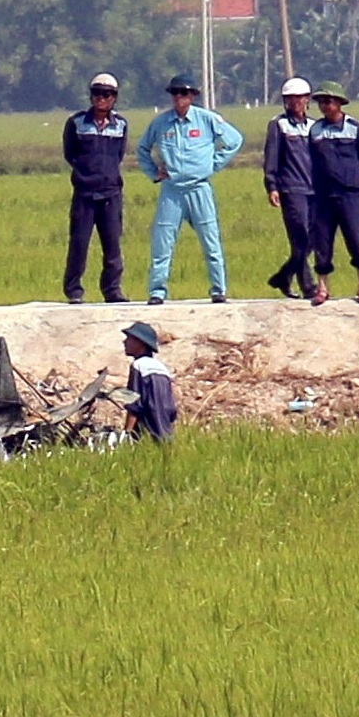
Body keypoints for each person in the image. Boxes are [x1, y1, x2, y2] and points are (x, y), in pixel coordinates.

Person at [135, 74, 243, 305]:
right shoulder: (160, 123)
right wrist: (153, 172)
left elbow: (234, 141)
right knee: (162, 242)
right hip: (172, 190)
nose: (178, 98)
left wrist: (212, 164)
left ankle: (218, 289)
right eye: (174, 93)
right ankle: (157, 291)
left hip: (199, 188)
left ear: (192, 96)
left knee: (210, 240)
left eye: (183, 93)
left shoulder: (206, 119)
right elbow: (142, 149)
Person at [61, 72, 129, 304]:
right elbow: (70, 154)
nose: (101, 98)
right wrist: (85, 174)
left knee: (112, 245)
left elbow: (118, 155)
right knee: (79, 243)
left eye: (107, 94)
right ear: (91, 96)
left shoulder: (120, 125)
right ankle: (74, 290)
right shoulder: (76, 123)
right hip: (84, 193)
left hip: (110, 193)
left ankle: (112, 290)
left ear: (114, 97)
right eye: (97, 93)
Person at [305, 82, 359, 306]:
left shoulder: (356, 128)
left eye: (328, 101)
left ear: (339, 103)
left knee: (356, 238)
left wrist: (350, 177)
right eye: (321, 102)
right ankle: (322, 287)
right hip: (323, 195)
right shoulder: (315, 130)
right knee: (322, 241)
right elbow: (313, 160)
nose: (324, 105)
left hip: (350, 194)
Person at [262, 77, 317, 300]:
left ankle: (283, 276)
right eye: (291, 98)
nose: (296, 102)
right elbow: (271, 157)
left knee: (315, 238)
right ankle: (309, 287)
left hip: (314, 189)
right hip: (291, 189)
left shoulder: (314, 126)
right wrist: (272, 186)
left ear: (307, 99)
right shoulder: (278, 125)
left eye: (300, 97)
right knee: (301, 239)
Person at [120, 321, 177, 441]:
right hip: (165, 432)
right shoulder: (162, 368)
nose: (124, 342)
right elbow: (170, 407)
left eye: (129, 339)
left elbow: (134, 403)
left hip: (147, 432)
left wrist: (127, 433)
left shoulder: (138, 366)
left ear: (140, 343)